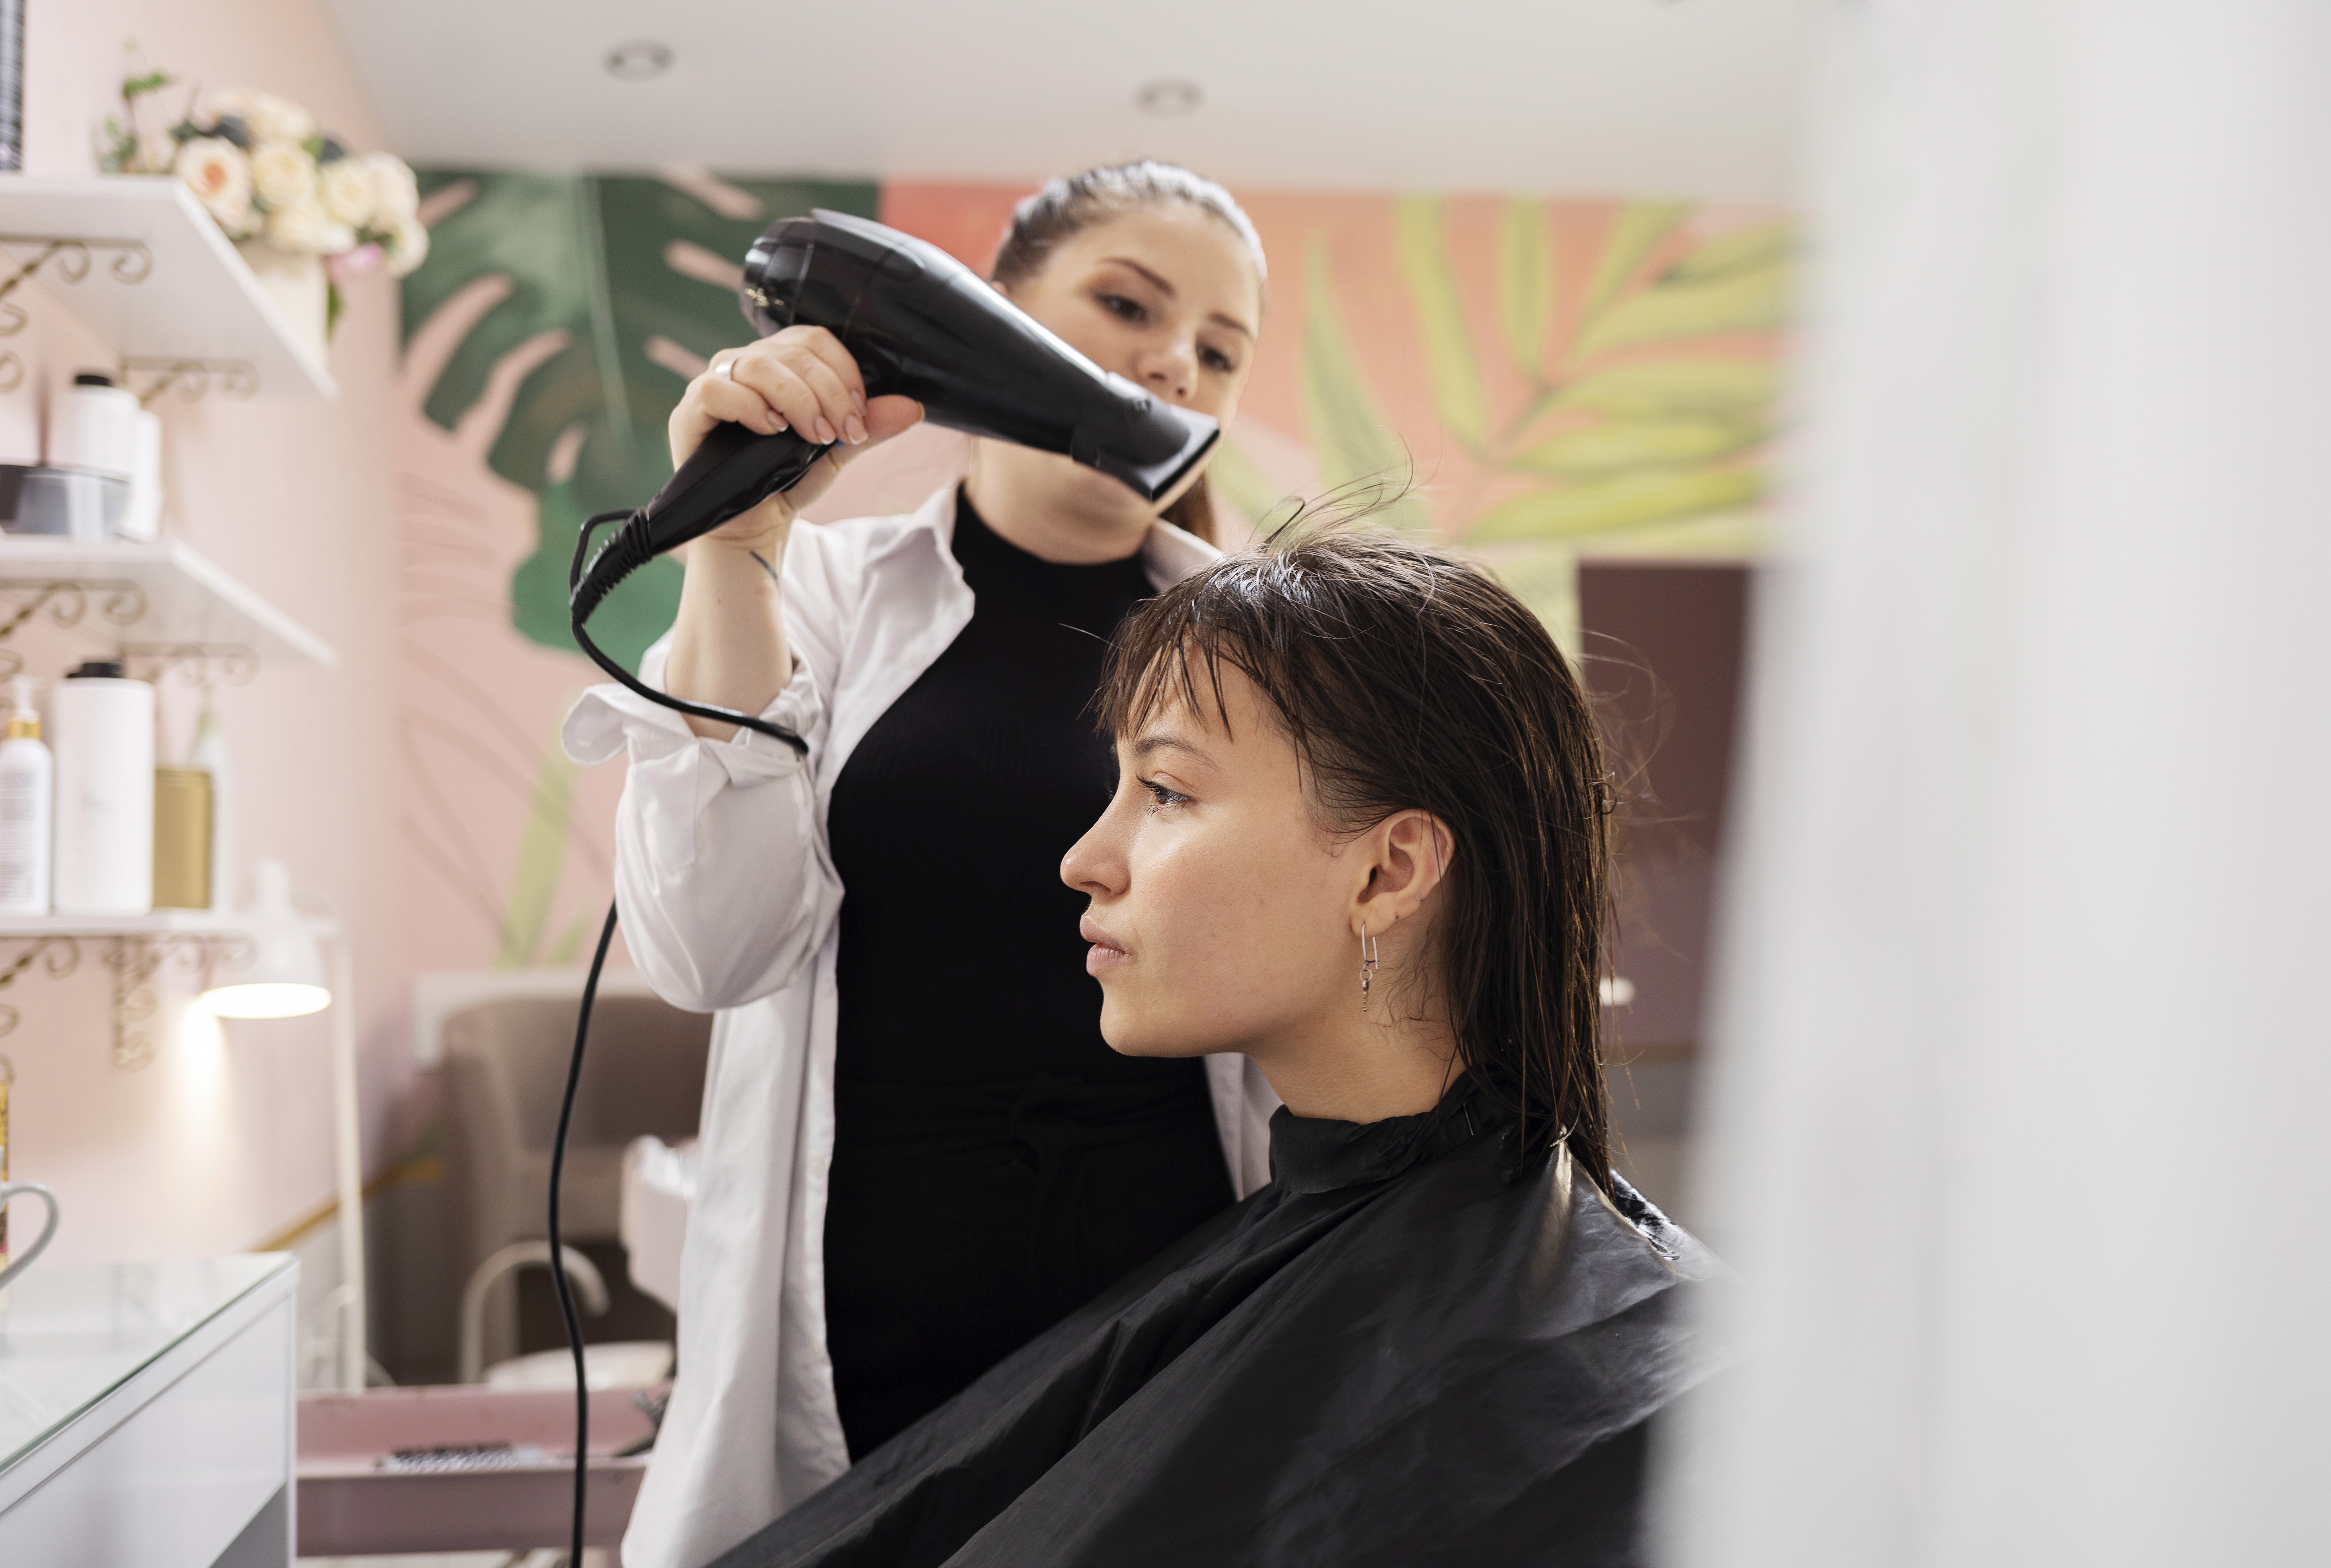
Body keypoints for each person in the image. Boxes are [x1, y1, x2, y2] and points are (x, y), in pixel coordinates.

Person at [714, 525, 1726, 1568]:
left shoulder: (1668, 1403)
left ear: (1387, 872)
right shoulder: (1296, 1262)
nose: (1083, 858)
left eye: (1166, 792)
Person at [561, 163, 1277, 1568]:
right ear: (988, 318)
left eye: (1220, 350)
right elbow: (711, 952)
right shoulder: (820, 596)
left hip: (1171, 1337)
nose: (1174, 364)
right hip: (870, 1348)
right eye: (1128, 306)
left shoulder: (1263, 653)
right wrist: (735, 556)